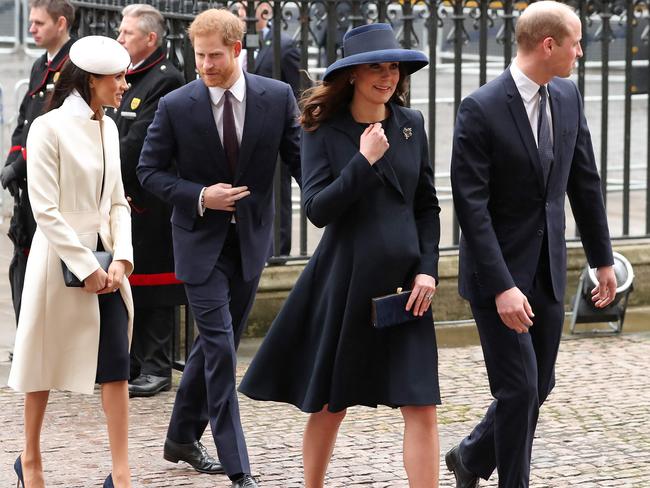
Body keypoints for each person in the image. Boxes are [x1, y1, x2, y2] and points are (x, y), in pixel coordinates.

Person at [239, 23, 441, 488]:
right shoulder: (320, 129)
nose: (387, 77)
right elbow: (317, 209)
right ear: (352, 74)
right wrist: (363, 161)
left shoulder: (412, 125)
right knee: (333, 404)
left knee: (421, 404)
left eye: (393, 67)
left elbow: (426, 206)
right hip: (349, 282)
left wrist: (428, 269)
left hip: (409, 287)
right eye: (376, 67)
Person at [446, 2, 618, 487]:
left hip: (547, 273)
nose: (580, 52)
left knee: (539, 384)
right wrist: (501, 287)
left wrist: (603, 259)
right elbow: (471, 210)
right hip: (496, 277)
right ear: (549, 45)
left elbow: (584, 183)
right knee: (519, 390)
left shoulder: (566, 94)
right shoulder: (479, 108)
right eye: (575, 42)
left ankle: (472, 456)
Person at [136, 8, 301, 488]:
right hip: (197, 243)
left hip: (249, 244)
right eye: (199, 56)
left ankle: (181, 438)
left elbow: (300, 161)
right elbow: (150, 172)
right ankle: (238, 467)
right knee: (222, 352)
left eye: (214, 56)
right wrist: (200, 195)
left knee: (215, 345)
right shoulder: (177, 105)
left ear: (237, 51)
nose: (205, 65)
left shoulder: (276, 96)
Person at [8, 36, 134, 488]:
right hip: (56, 262)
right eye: (117, 77)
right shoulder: (48, 128)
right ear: (92, 80)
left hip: (107, 259)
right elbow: (45, 210)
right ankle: (32, 460)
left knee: (116, 364)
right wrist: (88, 267)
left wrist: (121, 258)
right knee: (42, 366)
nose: (124, 84)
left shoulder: (111, 128)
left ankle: (121, 474)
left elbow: (118, 202)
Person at [110, 3, 186, 398]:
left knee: (155, 282)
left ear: (150, 39)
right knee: (131, 279)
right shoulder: (129, 77)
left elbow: (137, 141)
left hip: (150, 197)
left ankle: (156, 364)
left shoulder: (165, 80)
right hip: (127, 194)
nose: (119, 39)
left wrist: (106, 166)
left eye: (127, 34)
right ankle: (136, 359)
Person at [0, 0, 75, 325]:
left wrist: (23, 163)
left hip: (53, 181)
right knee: (23, 261)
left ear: (61, 24)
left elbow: (58, 125)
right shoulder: (39, 64)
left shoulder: (74, 65)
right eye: (30, 22)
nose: (31, 29)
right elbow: (24, 120)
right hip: (28, 182)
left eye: (39, 23)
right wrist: (14, 157)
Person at [239, 1, 302, 257]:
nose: (242, 12)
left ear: (264, 8)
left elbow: (298, 92)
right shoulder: (240, 42)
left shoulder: (284, 45)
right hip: (242, 136)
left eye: (246, 6)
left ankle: (278, 252)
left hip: (274, 134)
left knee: (279, 194)